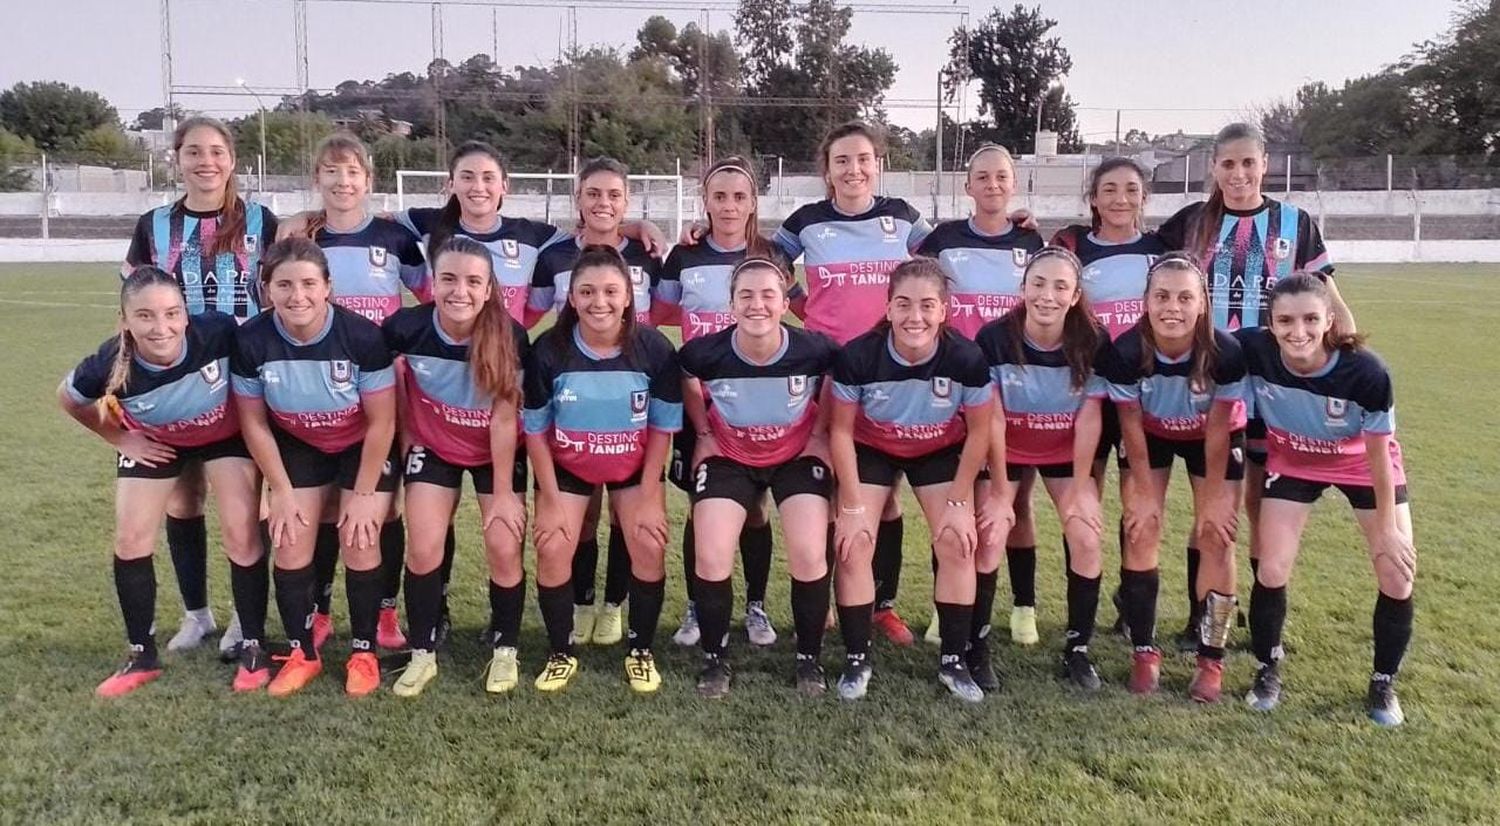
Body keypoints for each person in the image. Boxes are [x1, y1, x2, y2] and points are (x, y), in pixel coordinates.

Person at [1157, 123, 1352, 629]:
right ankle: (1202, 615)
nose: (1239, 173)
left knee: (1260, 502)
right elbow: (1125, 245)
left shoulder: (1295, 222)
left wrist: (1349, 358)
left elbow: (1326, 298)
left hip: (1271, 388)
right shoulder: (1190, 222)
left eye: (1249, 162)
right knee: (1209, 505)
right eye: (1228, 164)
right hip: (1205, 385)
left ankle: (1258, 615)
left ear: (1265, 163)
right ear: (1213, 168)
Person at [59, 266, 269, 696]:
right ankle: (146, 651)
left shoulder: (219, 331)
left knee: (241, 530)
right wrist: (119, 438)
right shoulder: (108, 362)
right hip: (156, 442)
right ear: (125, 322)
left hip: (223, 436)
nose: (161, 327)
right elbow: (70, 399)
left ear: (186, 314)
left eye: (172, 313)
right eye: (146, 316)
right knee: (131, 538)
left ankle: (252, 642)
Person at [773, 121, 935, 646]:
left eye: (863, 159)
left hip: (889, 372)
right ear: (827, 170)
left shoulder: (902, 218)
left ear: (879, 165)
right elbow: (768, 266)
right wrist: (804, 307)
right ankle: (819, 603)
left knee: (883, 498)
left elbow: (941, 259)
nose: (854, 169)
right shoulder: (806, 221)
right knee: (824, 486)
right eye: (842, 160)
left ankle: (881, 605)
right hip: (826, 373)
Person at [122, 116, 279, 657]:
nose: (205, 161)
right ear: (178, 159)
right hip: (174, 385)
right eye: (193, 152)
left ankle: (244, 619)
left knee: (245, 508)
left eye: (216, 151)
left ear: (233, 159)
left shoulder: (261, 220)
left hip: (239, 382)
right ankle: (197, 615)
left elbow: (278, 290)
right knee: (184, 502)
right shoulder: (154, 224)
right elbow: (132, 299)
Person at [1235, 274, 1414, 727]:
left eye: (1311, 319)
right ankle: (1267, 667)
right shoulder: (1253, 350)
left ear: (1329, 320)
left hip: (1360, 465)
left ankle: (1383, 681)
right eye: (1286, 320)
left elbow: (1379, 454)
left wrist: (1389, 529)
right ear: (1270, 324)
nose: (1298, 331)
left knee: (1397, 575)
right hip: (1293, 462)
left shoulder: (1366, 371)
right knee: (1271, 567)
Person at [230, 238, 399, 698]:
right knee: (288, 541)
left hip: (361, 445)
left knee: (361, 538)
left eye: (308, 283)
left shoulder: (362, 336)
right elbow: (253, 422)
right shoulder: (252, 340)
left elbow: (383, 421)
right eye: (283, 284)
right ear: (267, 289)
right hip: (298, 445)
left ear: (328, 287)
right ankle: (302, 652)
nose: (297, 295)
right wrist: (279, 491)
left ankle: (363, 652)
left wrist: (364, 495)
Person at [829, 258, 993, 702]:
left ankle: (954, 662)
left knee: (958, 542)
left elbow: (980, 431)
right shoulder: (859, 355)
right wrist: (850, 506)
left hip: (938, 450)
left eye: (926, 305)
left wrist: (960, 503)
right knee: (853, 542)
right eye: (903, 304)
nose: (914, 317)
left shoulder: (966, 357)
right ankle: (857, 658)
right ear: (887, 308)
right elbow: (840, 432)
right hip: (873, 448)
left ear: (944, 310)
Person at [291, 132, 429, 653]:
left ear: (368, 181)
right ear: (317, 179)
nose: (342, 181)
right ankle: (320, 609)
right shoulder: (303, 239)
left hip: (381, 392)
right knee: (327, 508)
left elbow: (429, 297)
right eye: (331, 171)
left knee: (383, 508)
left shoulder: (394, 239)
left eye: (352, 172)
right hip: (316, 394)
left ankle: (385, 613)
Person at [523, 244, 682, 693]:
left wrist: (651, 497)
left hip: (632, 468)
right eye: (587, 291)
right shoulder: (548, 351)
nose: (600, 302)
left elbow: (660, 430)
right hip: (569, 470)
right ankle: (561, 652)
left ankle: (640, 650)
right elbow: (535, 432)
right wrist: (550, 502)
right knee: (554, 546)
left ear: (628, 296)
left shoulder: (653, 348)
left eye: (611, 291)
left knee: (649, 544)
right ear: (571, 298)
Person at [679, 256, 838, 698]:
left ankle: (808, 659)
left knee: (809, 551)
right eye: (745, 295)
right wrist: (706, 433)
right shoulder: (705, 352)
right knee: (711, 555)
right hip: (730, 456)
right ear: (730, 305)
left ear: (785, 303)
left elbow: (836, 377)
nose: (757, 305)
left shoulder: (814, 349)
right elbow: (687, 376)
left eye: (768, 295)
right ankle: (715, 659)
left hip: (794, 456)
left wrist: (821, 432)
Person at [382, 237, 531, 696]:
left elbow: (505, 417)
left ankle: (505, 648)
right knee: (423, 548)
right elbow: (395, 390)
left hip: (495, 450)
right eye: (448, 279)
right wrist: (409, 442)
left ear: (489, 289)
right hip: (435, 445)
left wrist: (504, 491)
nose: (459, 291)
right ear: (431, 283)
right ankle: (423, 652)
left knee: (503, 544)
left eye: (472, 281)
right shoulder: (405, 328)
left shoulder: (509, 334)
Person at [527, 157, 666, 649]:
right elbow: (526, 313)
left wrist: (641, 228)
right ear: (578, 200)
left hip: (633, 388)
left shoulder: (648, 253)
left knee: (627, 519)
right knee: (579, 519)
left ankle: (614, 607)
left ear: (627, 202)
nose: (603, 203)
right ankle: (582, 602)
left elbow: (669, 309)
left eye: (613, 195)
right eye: (592, 194)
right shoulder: (553, 255)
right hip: (578, 391)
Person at [1098, 254, 1247, 699]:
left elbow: (1220, 428)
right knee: (1141, 528)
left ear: (1203, 303)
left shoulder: (1225, 352)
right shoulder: (1125, 352)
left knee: (1217, 536)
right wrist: (1143, 493)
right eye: (1161, 296)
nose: (1173, 307)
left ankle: (1211, 657)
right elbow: (1128, 426)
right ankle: (1144, 651)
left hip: (1212, 438)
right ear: (1145, 301)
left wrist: (1218, 497)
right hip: (1151, 435)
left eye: (1185, 297)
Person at [917, 142, 1043, 648]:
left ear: (1014, 185)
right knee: (957, 499)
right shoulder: (942, 240)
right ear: (967, 187)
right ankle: (943, 605)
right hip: (955, 385)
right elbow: (914, 282)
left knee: (1016, 500)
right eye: (982, 177)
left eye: (1001, 177)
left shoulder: (1032, 242)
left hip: (1017, 384)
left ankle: (1024, 606)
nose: (993, 185)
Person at [656, 156, 780, 650]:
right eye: (719, 196)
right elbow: (660, 312)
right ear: (704, 202)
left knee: (755, 508)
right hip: (699, 404)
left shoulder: (771, 255)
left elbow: (792, 305)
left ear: (753, 204)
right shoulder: (683, 257)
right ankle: (695, 604)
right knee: (701, 506)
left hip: (757, 402)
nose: (729, 206)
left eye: (739, 197)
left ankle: (755, 605)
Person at [1051, 158, 1175, 643]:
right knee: (1083, 502)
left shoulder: (1161, 250)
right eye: (1109, 190)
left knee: (1136, 501)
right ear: (1094, 199)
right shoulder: (1074, 247)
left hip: (1147, 394)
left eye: (1130, 189)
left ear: (1144, 196)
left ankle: (1130, 600)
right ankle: (1078, 607)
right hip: (1088, 392)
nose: (1120, 199)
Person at [975, 247, 1110, 691]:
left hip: (1064, 453)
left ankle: (1078, 650)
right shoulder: (995, 337)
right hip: (1006, 449)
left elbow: (1091, 415)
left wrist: (1084, 485)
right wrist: (998, 489)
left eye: (1059, 287)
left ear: (1074, 296)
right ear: (1022, 288)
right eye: (1038, 284)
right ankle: (976, 647)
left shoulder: (1093, 340)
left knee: (1086, 534)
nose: (1047, 295)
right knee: (991, 531)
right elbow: (991, 416)